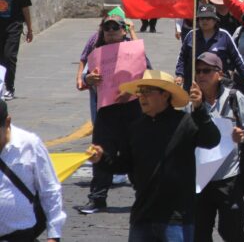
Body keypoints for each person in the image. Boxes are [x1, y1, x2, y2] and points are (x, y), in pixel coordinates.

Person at [89, 70, 221, 241]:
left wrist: (199, 109)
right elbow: (125, 164)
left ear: (165, 95)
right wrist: (102, 159)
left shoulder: (185, 122)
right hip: (142, 215)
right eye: (140, 93)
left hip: (175, 216)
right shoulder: (135, 127)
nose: (142, 97)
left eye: (147, 92)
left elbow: (211, 140)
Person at [75, 14, 147, 215]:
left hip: (133, 110)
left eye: (116, 27)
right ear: (102, 32)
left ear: (124, 30)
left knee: (135, 155)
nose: (112, 31)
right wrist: (89, 79)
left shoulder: (135, 50)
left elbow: (147, 75)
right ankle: (97, 198)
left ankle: (143, 197)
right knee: (100, 152)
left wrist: (132, 91)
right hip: (106, 111)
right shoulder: (97, 52)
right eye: (107, 28)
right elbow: (83, 80)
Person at [194, 53, 244, 242]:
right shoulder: (189, 102)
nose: (201, 75)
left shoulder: (234, 97)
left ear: (219, 73)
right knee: (198, 234)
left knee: (232, 233)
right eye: (197, 71)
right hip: (199, 179)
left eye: (206, 70)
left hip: (228, 178)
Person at [0, 99, 66, 240]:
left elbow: (50, 190)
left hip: (19, 236)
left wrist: (54, 236)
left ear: (7, 122)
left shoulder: (29, 144)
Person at [175, 3, 244, 91]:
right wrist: (179, 75)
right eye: (202, 18)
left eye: (208, 18)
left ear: (215, 20)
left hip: (218, 84)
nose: (204, 21)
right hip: (194, 84)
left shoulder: (224, 36)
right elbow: (182, 58)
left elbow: (236, 57)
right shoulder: (191, 35)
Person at [0, 0, 32, 100]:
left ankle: (10, 87)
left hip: (14, 26)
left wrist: (30, 29)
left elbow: (25, 9)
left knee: (9, 56)